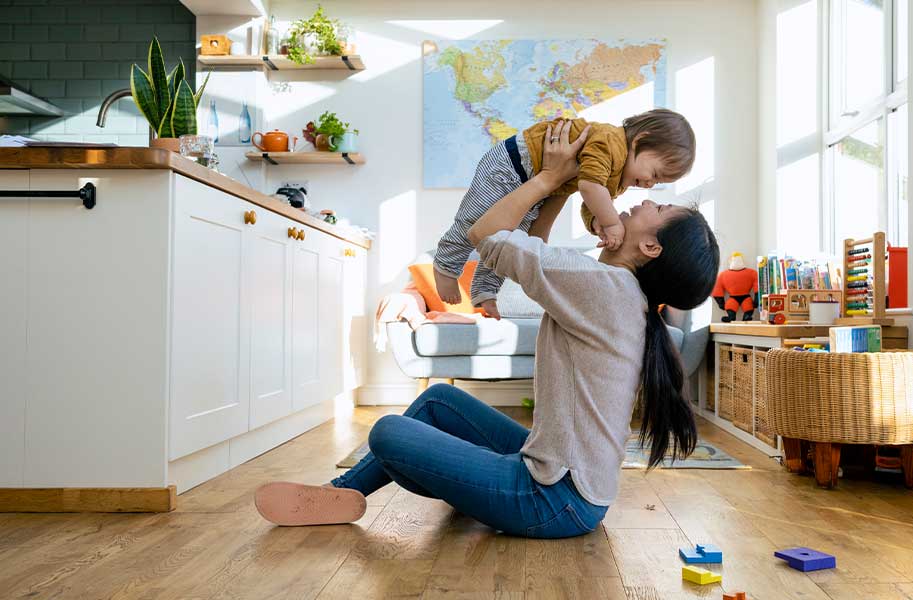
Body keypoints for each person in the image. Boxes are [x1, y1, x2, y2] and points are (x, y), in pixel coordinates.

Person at [254, 121, 719, 539]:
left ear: (650, 245)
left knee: (388, 433)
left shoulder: (602, 286)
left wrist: (548, 177)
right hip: (566, 485)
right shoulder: (615, 290)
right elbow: (530, 247)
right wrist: (559, 187)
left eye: (657, 206)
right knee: (439, 401)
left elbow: (486, 233)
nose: (643, 200)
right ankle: (342, 496)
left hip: (552, 500)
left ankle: (421, 484)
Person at [433, 109, 696, 319]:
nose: (650, 188)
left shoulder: (617, 180)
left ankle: (485, 288)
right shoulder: (611, 142)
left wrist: (596, 222)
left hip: (539, 180)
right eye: (655, 174)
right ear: (640, 141)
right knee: (473, 217)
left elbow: (589, 199)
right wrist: (610, 222)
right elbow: (589, 186)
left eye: (658, 184)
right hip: (514, 164)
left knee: (512, 236)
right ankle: (446, 264)